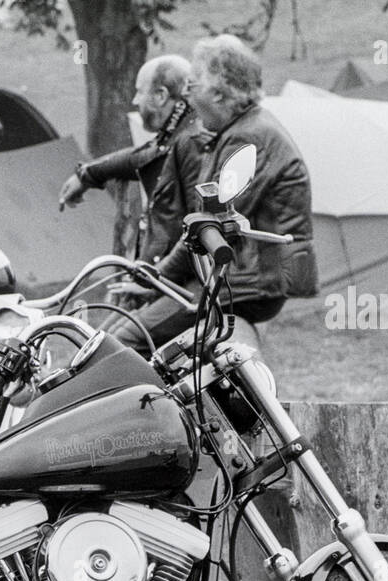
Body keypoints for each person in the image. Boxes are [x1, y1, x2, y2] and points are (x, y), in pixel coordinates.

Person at [111, 34, 317, 353]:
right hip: (236, 279)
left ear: (218, 94)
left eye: (192, 87)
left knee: (125, 341)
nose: (188, 99)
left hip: (245, 284)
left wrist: (155, 278)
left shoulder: (247, 140)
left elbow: (210, 225)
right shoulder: (238, 132)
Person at [59, 55, 201, 266]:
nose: (135, 101)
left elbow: (197, 229)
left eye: (140, 91)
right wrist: (87, 174)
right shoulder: (177, 133)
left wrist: (153, 278)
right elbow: (142, 156)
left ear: (160, 95)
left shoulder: (190, 141)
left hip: (181, 281)